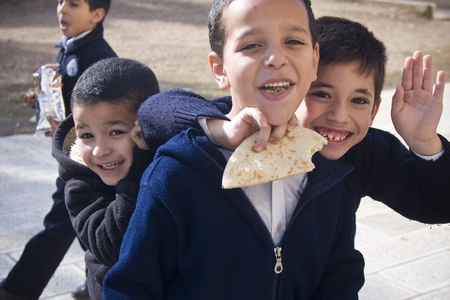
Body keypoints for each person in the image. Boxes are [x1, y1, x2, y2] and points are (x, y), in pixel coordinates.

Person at [103, 0, 365, 298]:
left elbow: (340, 280)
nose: (276, 58)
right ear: (219, 68)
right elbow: (131, 288)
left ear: (315, 60)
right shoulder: (177, 174)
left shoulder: (328, 175)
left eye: (293, 41)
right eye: (252, 45)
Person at [136, 16, 450, 224]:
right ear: (291, 86)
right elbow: (155, 110)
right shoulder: (252, 125)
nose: (340, 116)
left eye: (358, 100)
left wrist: (424, 142)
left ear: (374, 109)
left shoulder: (365, 152)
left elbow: (438, 205)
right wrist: (220, 131)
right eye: (322, 94)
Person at [0, 1, 117, 299]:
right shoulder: (71, 48)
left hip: (88, 160)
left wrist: (66, 127)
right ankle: (103, 283)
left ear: (97, 14)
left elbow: (100, 112)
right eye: (60, 1)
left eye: (74, 4)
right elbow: (70, 100)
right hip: (75, 153)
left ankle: (16, 290)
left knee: (61, 224)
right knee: (86, 226)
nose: (62, 9)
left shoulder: (97, 57)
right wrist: (43, 98)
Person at [52, 57, 160, 299]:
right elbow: (112, 245)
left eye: (115, 132)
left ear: (145, 125)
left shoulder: (164, 154)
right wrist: (136, 173)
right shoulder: (79, 186)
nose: (100, 150)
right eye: (87, 135)